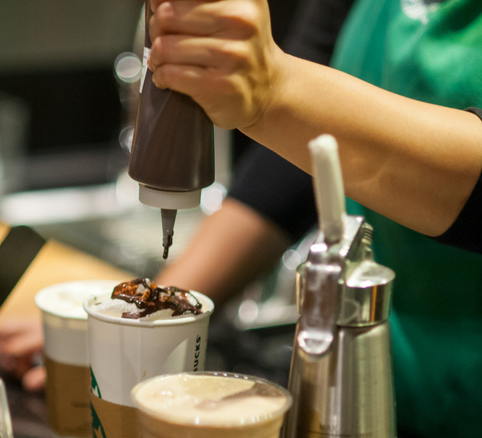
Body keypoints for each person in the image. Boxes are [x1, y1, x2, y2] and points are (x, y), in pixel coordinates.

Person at [149, 1, 482, 437]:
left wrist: (272, 88)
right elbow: (300, 152)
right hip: (380, 394)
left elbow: (292, 99)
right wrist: (154, 315)